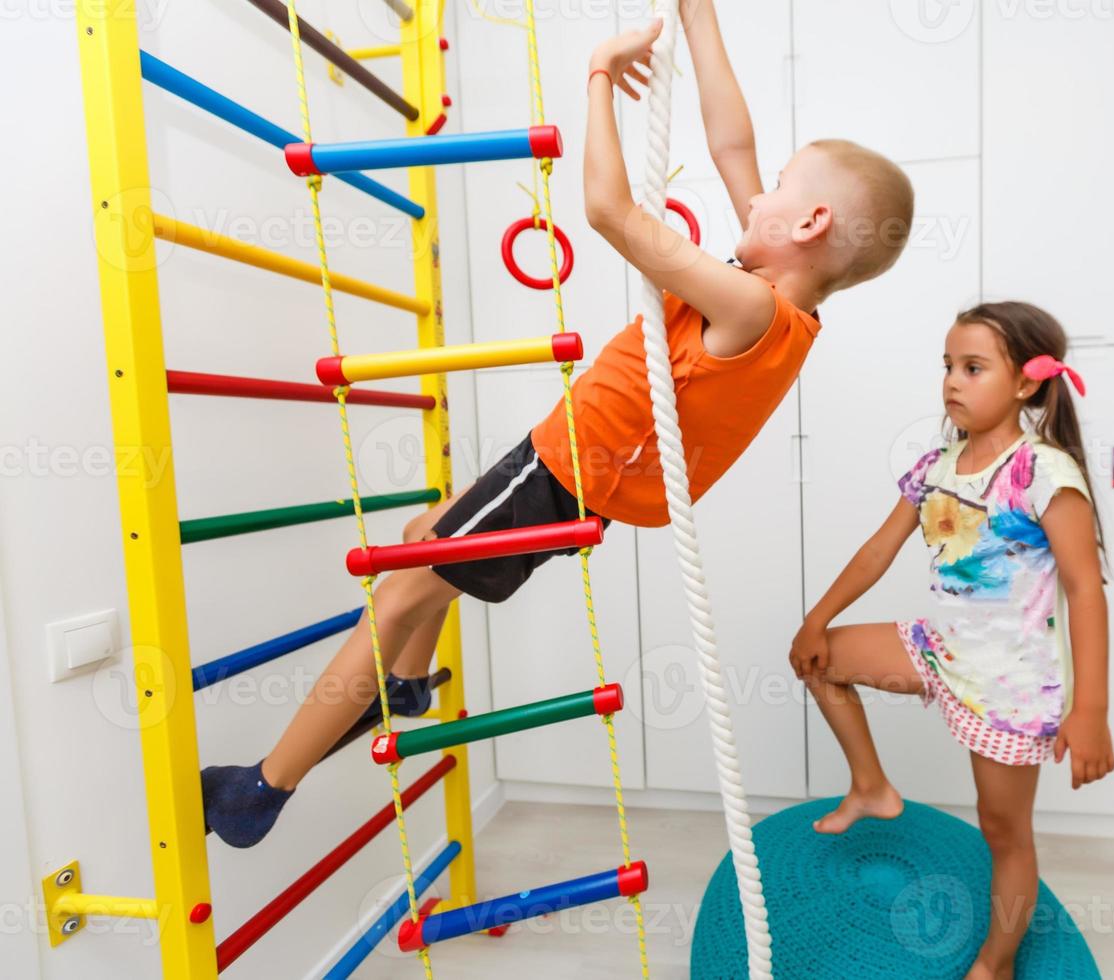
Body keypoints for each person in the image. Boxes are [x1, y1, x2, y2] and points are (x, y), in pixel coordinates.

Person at [200, 3, 915, 848]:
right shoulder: (777, 303)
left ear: (809, 224)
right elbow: (731, 144)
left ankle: (260, 791)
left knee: (396, 592)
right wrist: (700, 17)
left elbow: (610, 212)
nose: (757, 193)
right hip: (566, 471)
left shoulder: (751, 306)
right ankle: (405, 687)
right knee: (418, 531)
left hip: (558, 475)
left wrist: (600, 75)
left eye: (782, 189)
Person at [789, 302, 1113, 980]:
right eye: (948, 367)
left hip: (1008, 685)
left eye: (972, 368)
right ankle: (871, 785)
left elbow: (1085, 588)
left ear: (1026, 382)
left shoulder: (1044, 473)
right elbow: (880, 548)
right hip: (939, 647)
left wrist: (1091, 712)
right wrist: (817, 617)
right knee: (821, 661)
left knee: (1003, 830)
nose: (952, 382)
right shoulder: (937, 465)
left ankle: (995, 963)